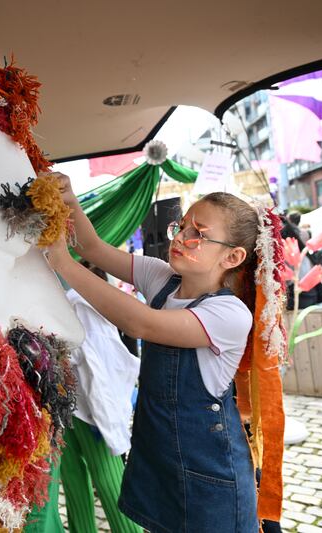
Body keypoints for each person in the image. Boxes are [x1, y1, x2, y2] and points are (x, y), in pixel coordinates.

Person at [44, 175, 262, 533]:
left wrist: (63, 266)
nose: (180, 237)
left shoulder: (230, 314)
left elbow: (141, 323)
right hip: (161, 463)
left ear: (233, 256)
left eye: (199, 234)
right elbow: (93, 248)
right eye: (183, 225)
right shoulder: (161, 277)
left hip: (211, 475)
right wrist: (68, 199)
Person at [24, 264, 142, 533]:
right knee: (85, 480)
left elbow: (95, 364)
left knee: (101, 480)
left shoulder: (79, 305)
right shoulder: (80, 304)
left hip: (83, 409)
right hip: (74, 409)